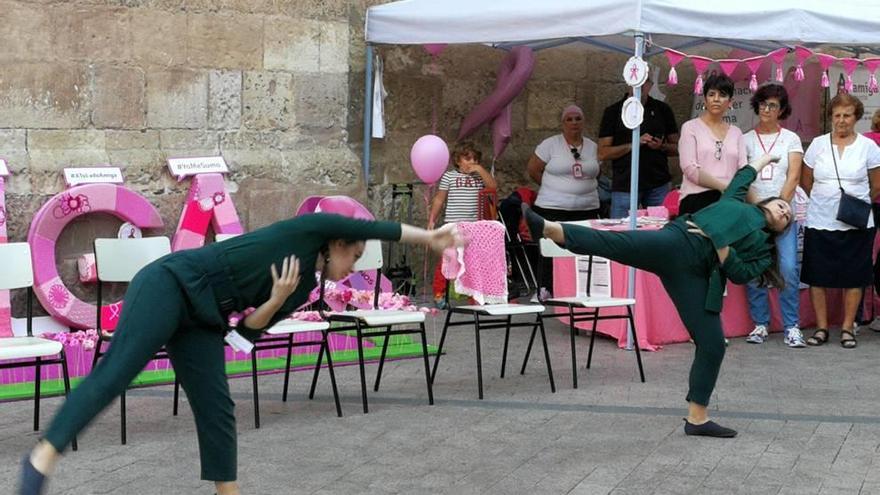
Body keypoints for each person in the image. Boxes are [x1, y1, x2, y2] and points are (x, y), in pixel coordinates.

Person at [18, 214, 463, 495]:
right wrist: (429, 237)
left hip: (207, 318)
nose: (354, 266)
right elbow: (375, 227)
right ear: (338, 242)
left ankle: (226, 492)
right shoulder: (306, 231)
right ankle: (44, 455)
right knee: (119, 371)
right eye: (355, 255)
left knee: (217, 406)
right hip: (170, 283)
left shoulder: (303, 285)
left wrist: (274, 301)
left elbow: (243, 340)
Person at [523, 153, 790, 438]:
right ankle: (553, 229)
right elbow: (742, 177)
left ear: (783, 229)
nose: (784, 212)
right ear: (766, 201)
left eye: (788, 216)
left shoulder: (765, 251)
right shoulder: (736, 201)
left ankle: (697, 419)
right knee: (617, 243)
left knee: (713, 345)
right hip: (676, 242)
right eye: (781, 205)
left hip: (697, 276)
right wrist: (763, 161)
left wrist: (720, 243)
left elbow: (739, 273)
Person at [800, 93, 880, 349]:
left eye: (847, 115)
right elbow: (806, 180)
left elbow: (876, 185)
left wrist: (853, 204)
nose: (842, 120)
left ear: (856, 116)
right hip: (820, 218)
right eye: (837, 115)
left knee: (854, 276)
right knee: (817, 275)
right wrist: (827, 200)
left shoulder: (869, 147)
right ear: (831, 118)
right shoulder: (818, 144)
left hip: (856, 222)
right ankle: (822, 328)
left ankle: (847, 328)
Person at [740, 84, 806, 347]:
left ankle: (791, 325)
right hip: (754, 213)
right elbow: (744, 179)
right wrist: (762, 209)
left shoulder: (791, 139)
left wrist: (778, 206)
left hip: (783, 213)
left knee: (788, 267)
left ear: (782, 110)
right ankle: (760, 324)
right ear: (756, 106)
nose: (767, 109)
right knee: (755, 267)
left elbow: (794, 175)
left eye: (773, 105)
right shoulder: (745, 139)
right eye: (763, 104)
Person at [526, 104, 601, 297]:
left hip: (586, 208)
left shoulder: (593, 147)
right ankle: (545, 287)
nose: (574, 123)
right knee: (550, 248)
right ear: (562, 123)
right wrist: (554, 187)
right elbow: (533, 168)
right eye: (569, 119)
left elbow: (597, 173)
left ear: (583, 122)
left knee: (583, 249)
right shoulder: (550, 144)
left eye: (578, 118)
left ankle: (579, 288)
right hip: (552, 207)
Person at [428, 141, 496, 308]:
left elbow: (493, 187)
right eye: (467, 158)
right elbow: (439, 198)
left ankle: (473, 296)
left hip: (473, 226)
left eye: (475, 159)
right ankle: (439, 293)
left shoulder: (479, 177)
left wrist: (480, 170)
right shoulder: (449, 176)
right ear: (457, 160)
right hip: (453, 225)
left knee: (473, 262)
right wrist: (431, 219)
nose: (472, 162)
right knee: (448, 260)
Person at [598, 79, 680, 218]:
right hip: (625, 185)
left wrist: (661, 146)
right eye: (636, 79)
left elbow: (678, 148)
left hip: (657, 184)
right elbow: (602, 153)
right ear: (628, 81)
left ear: (651, 84)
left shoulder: (662, 109)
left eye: (645, 80)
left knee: (658, 232)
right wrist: (634, 144)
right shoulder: (613, 111)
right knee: (621, 233)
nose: (640, 85)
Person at [678, 73, 748, 215]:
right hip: (696, 200)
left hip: (728, 201)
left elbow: (743, 171)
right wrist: (724, 187)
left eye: (722, 95)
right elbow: (690, 169)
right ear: (704, 100)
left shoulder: (737, 133)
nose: (716, 99)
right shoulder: (690, 128)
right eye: (711, 94)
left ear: (730, 102)